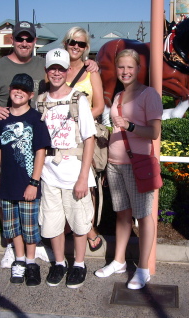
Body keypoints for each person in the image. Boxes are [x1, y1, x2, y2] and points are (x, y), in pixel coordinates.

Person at [0, 21, 98, 268]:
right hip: (9, 146)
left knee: (33, 204)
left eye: (29, 39)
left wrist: (91, 63)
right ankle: (12, 247)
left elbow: (68, 67)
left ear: (34, 42)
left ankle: (35, 248)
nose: (24, 43)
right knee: (6, 199)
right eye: (20, 39)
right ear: (13, 41)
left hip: (40, 154)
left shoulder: (43, 63)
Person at [94, 49, 162, 290]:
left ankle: (143, 268)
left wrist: (130, 125)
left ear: (138, 69)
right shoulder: (120, 96)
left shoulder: (149, 95)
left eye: (130, 67)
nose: (125, 71)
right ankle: (119, 261)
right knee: (122, 214)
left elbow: (153, 132)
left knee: (143, 216)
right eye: (121, 67)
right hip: (115, 164)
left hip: (138, 164)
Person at [38, 48, 96, 289]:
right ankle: (59, 262)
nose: (56, 73)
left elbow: (89, 139)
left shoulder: (78, 99)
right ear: (46, 71)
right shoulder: (41, 100)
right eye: (52, 68)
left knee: (80, 222)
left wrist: (83, 177)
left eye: (61, 68)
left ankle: (79, 264)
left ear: (68, 70)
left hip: (74, 174)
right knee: (53, 222)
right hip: (48, 174)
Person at [0, 73, 51, 285]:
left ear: (31, 95)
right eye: (16, 88)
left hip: (28, 185)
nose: (19, 92)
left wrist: (34, 182)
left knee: (29, 226)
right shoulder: (1, 118)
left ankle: (32, 262)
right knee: (12, 226)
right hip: (6, 183)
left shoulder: (35, 119)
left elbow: (40, 152)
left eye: (24, 90)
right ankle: (20, 260)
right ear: (10, 90)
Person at [62, 27, 104, 252]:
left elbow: (99, 106)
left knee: (85, 182)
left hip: (83, 135)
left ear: (86, 48)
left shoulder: (91, 72)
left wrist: (80, 120)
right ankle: (81, 229)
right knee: (62, 182)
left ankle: (88, 228)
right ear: (65, 43)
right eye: (72, 42)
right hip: (59, 136)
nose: (76, 47)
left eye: (81, 44)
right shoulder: (55, 68)